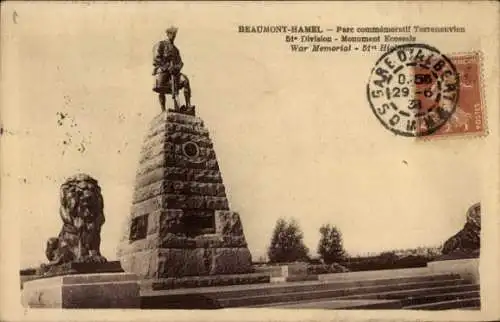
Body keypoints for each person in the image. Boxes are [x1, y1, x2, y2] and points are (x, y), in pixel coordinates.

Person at [152, 26, 192, 112]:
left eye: (174, 34)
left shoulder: (176, 50)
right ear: (167, 34)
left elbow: (180, 62)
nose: (173, 36)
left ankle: (188, 106)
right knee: (161, 87)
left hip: (174, 72)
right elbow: (156, 58)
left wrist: (176, 68)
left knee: (185, 80)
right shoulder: (161, 44)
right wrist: (167, 67)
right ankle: (163, 110)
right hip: (163, 70)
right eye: (171, 34)